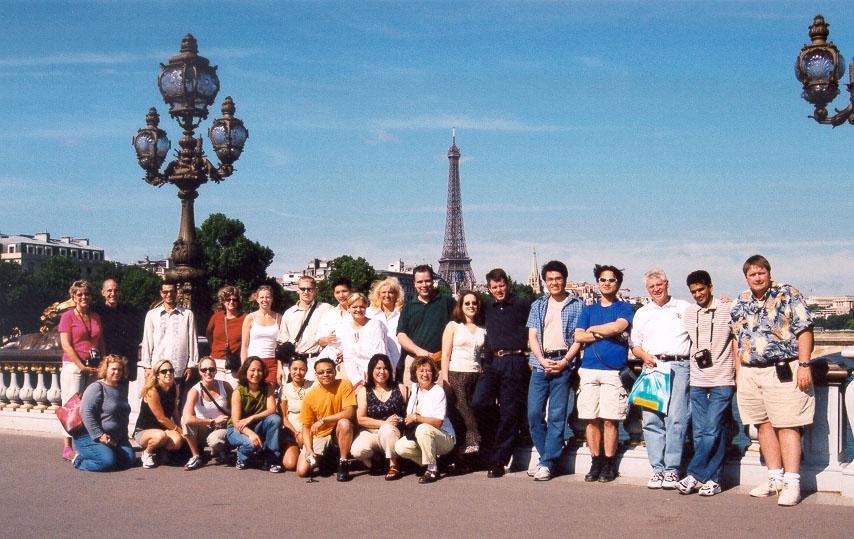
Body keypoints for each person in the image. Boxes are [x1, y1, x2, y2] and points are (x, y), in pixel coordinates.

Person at [730, 255, 815, 506]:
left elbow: (805, 330)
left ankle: (792, 482)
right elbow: (737, 339)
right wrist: (738, 373)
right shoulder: (741, 301)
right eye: (752, 274)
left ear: (768, 272)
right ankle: (774, 477)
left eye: (761, 273)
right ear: (746, 276)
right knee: (762, 424)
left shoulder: (787, 293)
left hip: (783, 369)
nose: (757, 277)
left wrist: (804, 364)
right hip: (750, 371)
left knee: (788, 424)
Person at [674, 270, 734, 497]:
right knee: (701, 432)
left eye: (701, 290)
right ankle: (713, 480)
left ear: (710, 287)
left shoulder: (728, 309)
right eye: (693, 292)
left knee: (711, 429)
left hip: (722, 378)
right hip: (698, 379)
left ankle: (694, 474)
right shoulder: (689, 313)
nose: (698, 294)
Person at [630, 270, 692, 490]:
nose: (656, 289)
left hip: (679, 365)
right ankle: (657, 469)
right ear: (647, 289)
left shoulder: (684, 308)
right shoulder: (642, 313)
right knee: (651, 420)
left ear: (667, 284)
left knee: (676, 418)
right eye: (651, 286)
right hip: (652, 367)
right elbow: (635, 345)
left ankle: (672, 469)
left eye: (659, 284)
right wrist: (645, 356)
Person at [573, 265, 634, 483]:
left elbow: (618, 327)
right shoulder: (588, 309)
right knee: (591, 419)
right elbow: (579, 336)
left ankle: (609, 463)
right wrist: (600, 333)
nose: (607, 283)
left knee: (610, 420)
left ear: (617, 283)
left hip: (613, 372)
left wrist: (592, 330)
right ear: (598, 283)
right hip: (589, 370)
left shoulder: (625, 308)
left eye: (611, 280)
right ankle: (595, 460)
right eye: (603, 279)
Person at [526, 261, 583, 481]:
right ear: (545, 281)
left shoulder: (577, 305)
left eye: (558, 278)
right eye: (550, 279)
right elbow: (532, 336)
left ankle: (547, 463)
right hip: (540, 364)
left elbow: (578, 337)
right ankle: (545, 459)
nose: (554, 283)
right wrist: (540, 359)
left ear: (565, 280)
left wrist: (566, 361)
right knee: (533, 414)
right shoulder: (538, 304)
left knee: (557, 415)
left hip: (563, 362)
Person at [473, 268, 531, 478]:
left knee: (509, 410)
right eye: (494, 287)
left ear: (508, 284)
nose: (498, 290)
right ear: (489, 289)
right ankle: (501, 434)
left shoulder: (522, 304)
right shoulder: (486, 307)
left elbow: (535, 330)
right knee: (479, 402)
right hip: (492, 361)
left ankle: (498, 460)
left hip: (515, 359)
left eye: (502, 285)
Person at [59, 279, 103, 460]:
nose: (83, 297)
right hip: (74, 366)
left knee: (90, 404)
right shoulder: (67, 316)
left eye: (86, 293)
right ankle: (67, 446)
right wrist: (80, 366)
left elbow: (100, 342)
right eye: (79, 294)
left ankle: (85, 442)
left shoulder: (95, 316)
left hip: (92, 366)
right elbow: (66, 345)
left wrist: (102, 363)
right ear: (73, 297)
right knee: (71, 406)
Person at [394, 357, 456, 483]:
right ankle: (436, 464)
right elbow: (410, 414)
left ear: (433, 373)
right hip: (422, 435)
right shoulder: (415, 388)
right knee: (401, 446)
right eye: (421, 371)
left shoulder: (438, 391)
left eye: (428, 371)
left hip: (443, 437)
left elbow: (439, 422)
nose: (425, 374)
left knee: (423, 428)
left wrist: (417, 417)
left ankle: (432, 470)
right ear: (415, 374)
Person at [440, 291, 486, 458]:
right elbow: (445, 354)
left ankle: (464, 452)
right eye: (467, 303)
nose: (471, 306)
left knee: (474, 408)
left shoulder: (482, 328)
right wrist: (445, 378)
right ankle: (474, 441)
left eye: (474, 303)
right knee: (462, 410)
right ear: (460, 306)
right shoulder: (453, 326)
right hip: (456, 372)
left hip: (476, 374)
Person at [72, 354, 135, 472]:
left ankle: (108, 452)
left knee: (129, 460)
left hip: (114, 438)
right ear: (106, 370)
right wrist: (99, 435)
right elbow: (85, 412)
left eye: (120, 370)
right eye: (113, 369)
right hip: (91, 436)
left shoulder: (121, 389)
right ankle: (79, 460)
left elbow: (122, 416)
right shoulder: (96, 387)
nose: (117, 372)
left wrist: (123, 437)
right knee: (106, 462)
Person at [296, 357, 356, 481]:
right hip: (320, 435)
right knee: (302, 471)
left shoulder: (345, 384)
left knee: (344, 423)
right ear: (316, 375)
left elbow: (349, 413)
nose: (325, 375)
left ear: (335, 372)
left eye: (329, 371)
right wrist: (308, 449)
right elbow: (306, 427)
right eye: (321, 372)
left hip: (338, 432)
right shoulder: (310, 396)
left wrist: (324, 420)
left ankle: (343, 462)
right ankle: (328, 459)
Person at [352, 354, 407, 480]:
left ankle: (394, 465)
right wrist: (384, 423)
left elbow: (407, 414)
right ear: (371, 370)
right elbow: (361, 419)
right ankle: (376, 462)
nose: (382, 371)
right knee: (357, 450)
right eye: (378, 368)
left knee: (387, 430)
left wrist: (394, 422)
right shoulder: (365, 391)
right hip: (372, 433)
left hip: (393, 433)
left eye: (385, 368)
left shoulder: (399, 388)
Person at [396, 265, 455, 382]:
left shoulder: (447, 302)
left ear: (433, 281)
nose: (424, 285)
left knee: (440, 398)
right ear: (414, 283)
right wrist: (418, 351)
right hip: (414, 361)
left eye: (427, 281)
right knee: (413, 399)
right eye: (420, 282)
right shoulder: (408, 306)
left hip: (440, 362)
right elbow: (401, 335)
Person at [225, 357, 283, 472]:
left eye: (259, 370)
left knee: (275, 419)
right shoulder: (238, 391)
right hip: (237, 429)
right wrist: (251, 434)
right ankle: (242, 457)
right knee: (251, 444)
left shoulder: (267, 387)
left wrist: (251, 418)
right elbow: (236, 422)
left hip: (256, 424)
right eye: (252, 370)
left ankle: (272, 460)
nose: (256, 374)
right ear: (246, 371)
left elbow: (272, 409)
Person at [140, 283, 198, 390]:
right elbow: (147, 341)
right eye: (165, 292)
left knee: (177, 403)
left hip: (179, 368)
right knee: (157, 401)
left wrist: (191, 365)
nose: (169, 294)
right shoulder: (152, 315)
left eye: (172, 291)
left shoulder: (187, 314)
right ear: (161, 293)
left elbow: (193, 341)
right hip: (157, 368)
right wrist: (147, 366)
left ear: (176, 292)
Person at [181, 356, 233, 470]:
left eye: (211, 369)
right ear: (200, 372)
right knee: (184, 420)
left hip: (222, 428)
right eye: (204, 370)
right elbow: (187, 418)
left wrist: (227, 419)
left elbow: (236, 409)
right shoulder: (194, 391)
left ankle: (222, 450)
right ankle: (196, 456)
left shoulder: (225, 386)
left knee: (214, 440)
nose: (208, 372)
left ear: (216, 370)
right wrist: (212, 421)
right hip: (203, 428)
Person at [278, 276, 332, 382]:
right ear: (297, 290)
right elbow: (282, 344)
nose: (306, 292)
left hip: (314, 361)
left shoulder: (326, 309)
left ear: (316, 290)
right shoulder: (289, 313)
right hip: (292, 362)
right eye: (303, 289)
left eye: (309, 289)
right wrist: (280, 368)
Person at [133, 359, 185, 469]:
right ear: (157, 375)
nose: (168, 373)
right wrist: (178, 430)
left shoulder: (173, 387)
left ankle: (161, 453)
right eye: (164, 371)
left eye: (171, 370)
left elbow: (175, 411)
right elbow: (161, 418)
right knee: (160, 436)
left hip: (163, 429)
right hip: (144, 431)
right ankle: (147, 453)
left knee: (177, 441)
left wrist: (181, 429)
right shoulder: (152, 391)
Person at [95, 278, 142, 383]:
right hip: (103, 363)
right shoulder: (96, 312)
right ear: (103, 292)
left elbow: (134, 337)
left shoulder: (128, 312)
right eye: (109, 291)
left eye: (116, 291)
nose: (113, 294)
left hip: (122, 365)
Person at [336, 292, 388, 387]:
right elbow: (348, 358)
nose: (358, 310)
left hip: (376, 374)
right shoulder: (345, 328)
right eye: (354, 307)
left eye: (362, 307)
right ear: (348, 308)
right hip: (354, 377)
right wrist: (357, 380)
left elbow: (380, 354)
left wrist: (372, 375)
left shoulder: (375, 325)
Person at [241, 285, 280, 386]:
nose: (265, 300)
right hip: (253, 363)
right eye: (261, 297)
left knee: (269, 395)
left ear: (272, 299)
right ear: (257, 299)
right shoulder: (250, 318)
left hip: (272, 363)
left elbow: (281, 345)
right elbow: (244, 345)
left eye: (267, 297)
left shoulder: (279, 318)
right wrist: (244, 366)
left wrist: (280, 367)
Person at [279, 357, 314, 471]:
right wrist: (296, 433)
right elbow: (284, 418)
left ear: (306, 370)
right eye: (294, 369)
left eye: (301, 369)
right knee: (290, 464)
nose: (298, 372)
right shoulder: (285, 389)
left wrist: (305, 434)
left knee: (306, 465)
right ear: (289, 369)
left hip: (310, 430)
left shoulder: (314, 386)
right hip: (293, 432)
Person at [206, 285, 246, 385]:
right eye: (228, 299)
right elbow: (208, 334)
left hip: (234, 364)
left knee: (233, 395)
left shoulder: (245, 318)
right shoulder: (216, 317)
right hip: (216, 362)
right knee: (217, 395)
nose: (231, 302)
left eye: (234, 299)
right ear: (223, 301)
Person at [367, 277, 404, 377]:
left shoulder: (402, 314)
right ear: (378, 295)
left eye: (391, 292)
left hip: (398, 361)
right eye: (383, 292)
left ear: (396, 295)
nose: (387, 295)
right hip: (374, 362)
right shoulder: (369, 313)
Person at [315, 276, 353, 368]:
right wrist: (327, 339)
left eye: (344, 291)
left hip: (353, 359)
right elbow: (320, 341)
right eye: (337, 292)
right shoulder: (329, 315)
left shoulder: (359, 312)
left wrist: (348, 353)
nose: (341, 295)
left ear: (351, 291)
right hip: (330, 359)